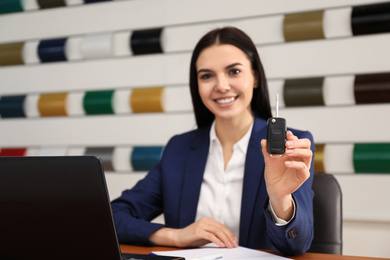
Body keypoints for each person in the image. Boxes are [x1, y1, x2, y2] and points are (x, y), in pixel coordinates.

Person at [111, 27, 315, 256]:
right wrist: (175, 236)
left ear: (255, 77)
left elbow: (297, 244)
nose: (221, 86)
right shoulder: (179, 149)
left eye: (234, 71)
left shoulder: (291, 145)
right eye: (207, 76)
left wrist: (280, 198)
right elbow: (113, 216)